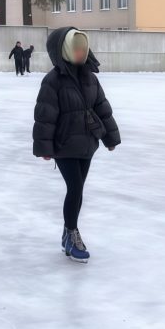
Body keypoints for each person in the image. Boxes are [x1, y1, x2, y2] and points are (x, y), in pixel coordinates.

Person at [32, 27, 121, 262]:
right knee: (75, 188)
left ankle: (67, 234)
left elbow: (102, 108)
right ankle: (72, 234)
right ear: (65, 50)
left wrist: (110, 138)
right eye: (76, 49)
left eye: (83, 48)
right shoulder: (53, 81)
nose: (81, 53)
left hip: (87, 144)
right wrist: (44, 148)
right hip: (64, 145)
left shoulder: (90, 78)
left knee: (78, 189)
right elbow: (45, 115)